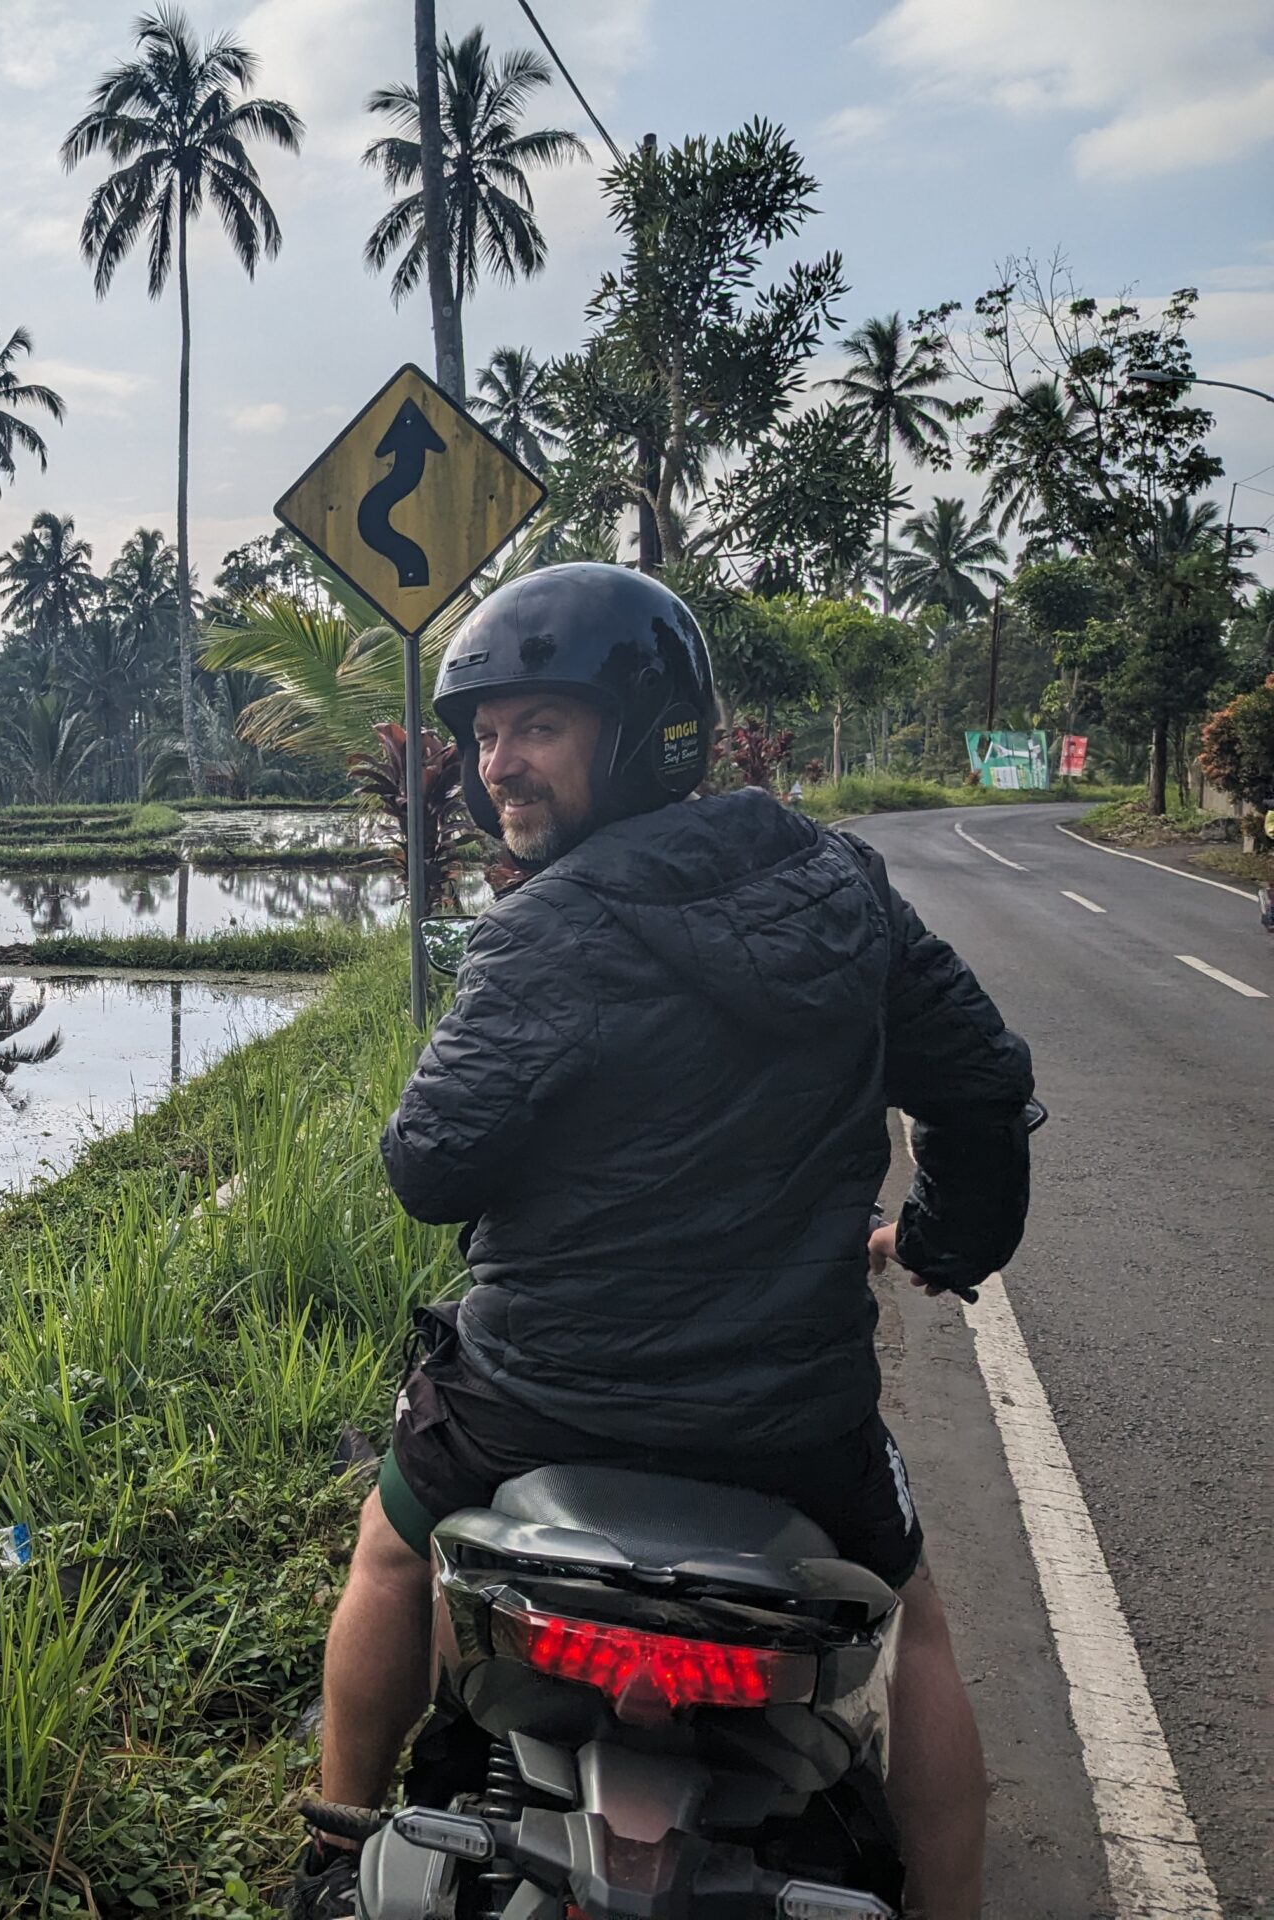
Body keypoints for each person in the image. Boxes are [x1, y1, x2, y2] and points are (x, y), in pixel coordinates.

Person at [293, 565, 1034, 1920]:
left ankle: (339, 1844)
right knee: (914, 1618)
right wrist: (942, 1241)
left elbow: (426, 1167)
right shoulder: (844, 890)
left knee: (392, 1550)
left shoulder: (545, 928)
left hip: (532, 1405)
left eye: (540, 727)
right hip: (790, 1426)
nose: (496, 763)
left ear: (642, 734)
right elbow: (982, 1081)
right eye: (484, 731)